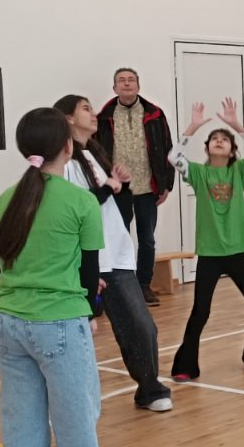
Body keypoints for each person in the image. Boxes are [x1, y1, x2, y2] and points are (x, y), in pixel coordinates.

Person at [0, 107, 134, 447]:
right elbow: (91, 273)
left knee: (22, 433)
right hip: (59, 324)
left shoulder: (5, 200)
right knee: (76, 428)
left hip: (9, 324)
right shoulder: (81, 202)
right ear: (68, 148)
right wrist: (90, 310)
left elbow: (8, 265)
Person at [53, 94, 171, 413]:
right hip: (87, 259)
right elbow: (77, 207)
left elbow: (108, 206)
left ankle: (149, 389)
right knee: (67, 336)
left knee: (141, 327)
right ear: (67, 119)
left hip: (115, 256)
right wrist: (110, 186)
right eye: (86, 109)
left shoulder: (94, 154)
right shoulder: (64, 162)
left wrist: (121, 185)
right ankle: (28, 394)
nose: (94, 113)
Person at [169, 98, 244, 378]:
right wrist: (192, 128)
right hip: (210, 254)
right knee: (200, 311)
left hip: (237, 251)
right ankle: (185, 365)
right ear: (207, 148)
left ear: (232, 151)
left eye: (224, 140)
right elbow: (174, 158)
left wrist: (237, 126)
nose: (218, 141)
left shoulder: (238, 171)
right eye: (214, 139)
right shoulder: (199, 173)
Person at [95, 68, 174, 306]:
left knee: (147, 240)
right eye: (121, 80)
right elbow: (97, 154)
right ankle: (118, 288)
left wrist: (166, 184)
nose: (127, 84)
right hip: (119, 190)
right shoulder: (103, 117)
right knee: (118, 239)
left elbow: (167, 149)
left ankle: (143, 286)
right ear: (115, 88)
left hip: (148, 188)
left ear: (138, 86)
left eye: (131, 80)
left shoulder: (155, 114)